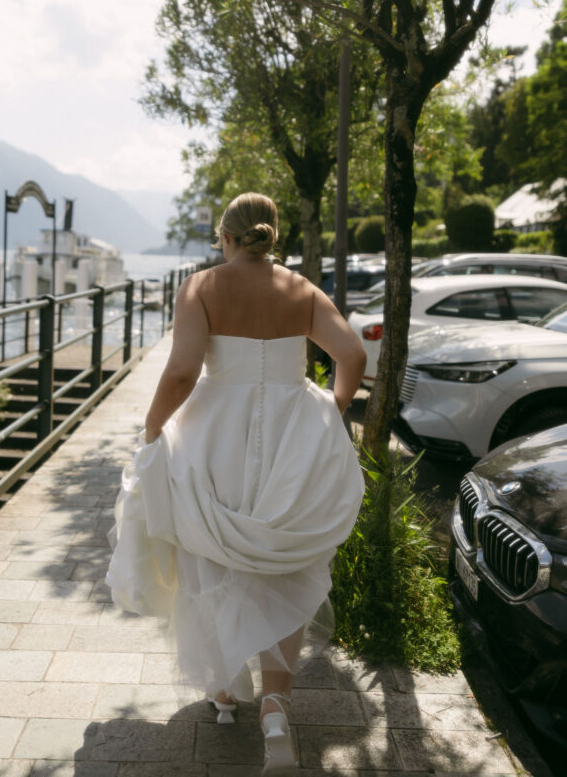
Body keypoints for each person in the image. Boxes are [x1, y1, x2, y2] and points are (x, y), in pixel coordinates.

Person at [106, 192, 366, 774]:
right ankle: (275, 709)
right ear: (271, 236)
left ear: (224, 237)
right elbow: (350, 354)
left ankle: (225, 692)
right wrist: (331, 414)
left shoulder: (201, 288)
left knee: (212, 562)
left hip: (213, 438)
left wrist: (153, 426)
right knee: (285, 565)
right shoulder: (302, 291)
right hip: (292, 441)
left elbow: (181, 371)